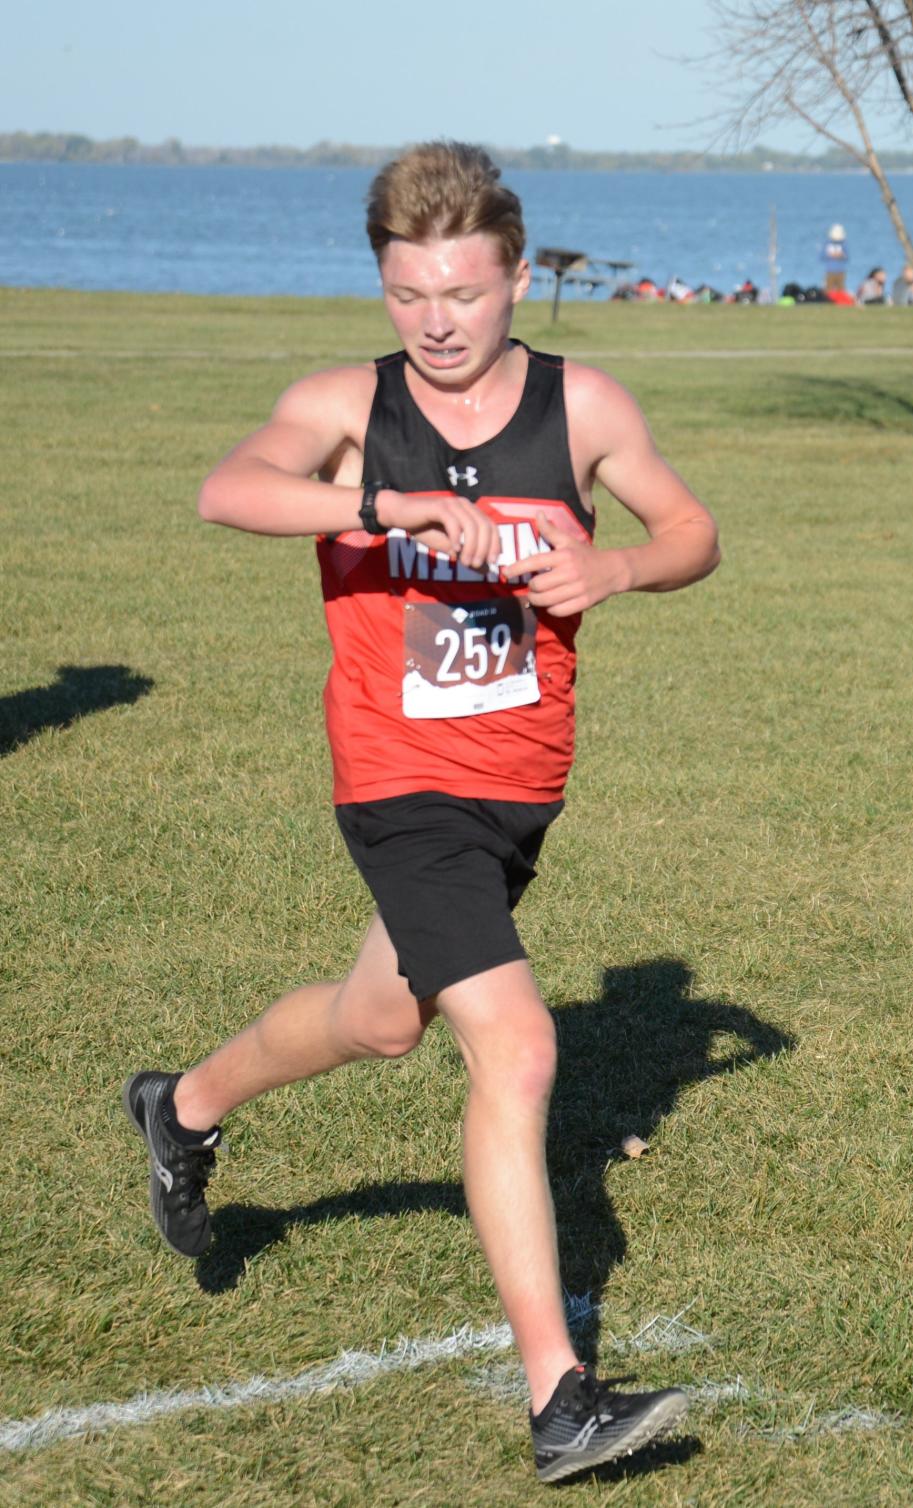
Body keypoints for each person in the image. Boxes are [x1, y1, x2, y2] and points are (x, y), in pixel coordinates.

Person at [122, 141, 720, 1483]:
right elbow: (229, 489)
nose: (437, 323)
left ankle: (187, 1104)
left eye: (462, 290)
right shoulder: (348, 406)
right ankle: (560, 1399)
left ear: (516, 272)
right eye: (407, 295)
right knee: (511, 1047)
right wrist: (379, 504)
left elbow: (694, 530)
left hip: (521, 789)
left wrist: (612, 562)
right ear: (383, 288)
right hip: (398, 784)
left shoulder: (582, 409)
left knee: (384, 1018)